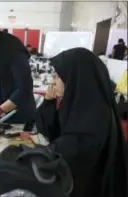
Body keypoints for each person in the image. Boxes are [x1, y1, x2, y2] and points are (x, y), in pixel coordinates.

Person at [36, 48, 128, 197]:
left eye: (58, 76)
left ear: (75, 78)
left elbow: (68, 156)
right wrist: (48, 102)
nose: (53, 81)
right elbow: (51, 130)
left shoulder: (93, 119)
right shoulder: (80, 105)